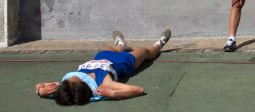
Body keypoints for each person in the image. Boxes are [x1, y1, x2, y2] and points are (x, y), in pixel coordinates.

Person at [34, 29, 171, 105]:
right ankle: (158, 44)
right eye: (70, 81)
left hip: (101, 58)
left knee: (110, 48)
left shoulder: (67, 86)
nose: (65, 80)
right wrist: (111, 93)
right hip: (123, 62)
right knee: (144, 52)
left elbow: (41, 86)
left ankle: (121, 44)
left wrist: (40, 90)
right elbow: (139, 90)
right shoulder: (102, 84)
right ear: (80, 85)